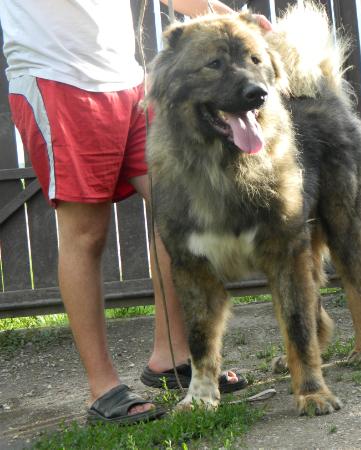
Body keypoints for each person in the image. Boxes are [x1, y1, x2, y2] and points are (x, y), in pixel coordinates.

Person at [0, 0, 270, 424]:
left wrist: (225, 14)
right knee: (86, 232)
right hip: (58, 77)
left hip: (127, 82)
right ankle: (102, 388)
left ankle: (171, 355)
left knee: (179, 213)